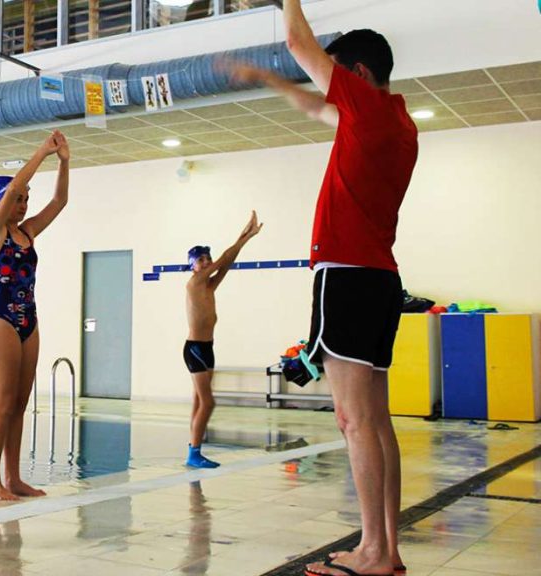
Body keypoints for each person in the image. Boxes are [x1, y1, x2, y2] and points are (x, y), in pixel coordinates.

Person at [231, 2, 418, 574]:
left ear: (358, 76)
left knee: (353, 420)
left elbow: (296, 40)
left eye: (337, 78)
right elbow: (316, 107)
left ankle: (373, 553)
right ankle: (383, 546)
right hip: (379, 278)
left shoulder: (369, 107)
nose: (329, 89)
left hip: (347, 274)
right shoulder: (394, 122)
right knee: (375, 420)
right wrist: (267, 81)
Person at [0, 130, 69, 501]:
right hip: (1, 318)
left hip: (29, 319)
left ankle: (14, 478)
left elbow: (59, 202)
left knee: (20, 403)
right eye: (18, 199)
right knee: (3, 402)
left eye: (26, 200)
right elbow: (20, 182)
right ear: (3, 201)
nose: (24, 204)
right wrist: (42, 153)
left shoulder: (28, 231)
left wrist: (65, 162)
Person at [183, 212, 262, 469]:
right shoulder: (194, 283)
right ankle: (194, 453)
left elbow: (227, 261)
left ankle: (193, 448)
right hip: (194, 349)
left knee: (199, 400)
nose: (206, 262)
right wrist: (245, 237)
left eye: (207, 258)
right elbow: (223, 259)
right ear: (192, 266)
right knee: (208, 401)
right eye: (201, 260)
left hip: (207, 348)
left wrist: (244, 237)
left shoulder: (208, 286)